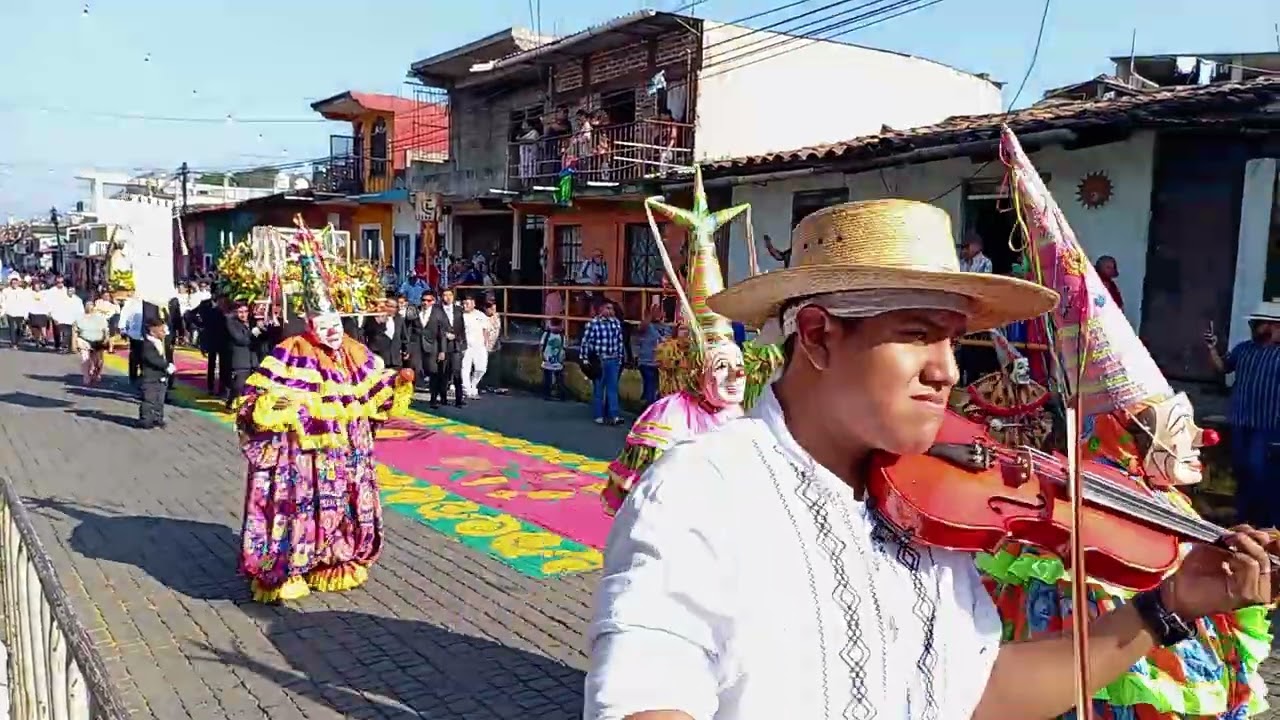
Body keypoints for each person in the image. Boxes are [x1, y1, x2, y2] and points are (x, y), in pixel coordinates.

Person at [584, 197, 1280, 720]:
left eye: (953, 341)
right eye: (917, 335)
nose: (947, 370)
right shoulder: (704, 488)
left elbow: (977, 691)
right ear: (821, 336)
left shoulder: (929, 507)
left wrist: (1171, 604)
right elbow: (646, 691)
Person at [978, 128, 1270, 720]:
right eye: (1175, 425)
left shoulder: (1161, 502)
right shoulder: (1074, 517)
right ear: (1128, 435)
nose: (1197, 440)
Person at [233, 224, 414, 603]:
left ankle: (335, 557)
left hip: (346, 451)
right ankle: (289, 566)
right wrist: (280, 410)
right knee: (301, 503)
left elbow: (372, 389)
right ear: (310, 325)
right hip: (305, 457)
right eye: (324, 326)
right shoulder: (291, 350)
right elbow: (256, 398)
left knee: (344, 501)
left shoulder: (354, 350)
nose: (332, 332)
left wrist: (397, 383)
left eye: (336, 324)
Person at [604, 171, 777, 514]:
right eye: (723, 367)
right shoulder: (670, 415)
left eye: (739, 366)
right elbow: (638, 495)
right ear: (698, 370)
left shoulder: (744, 412)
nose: (736, 376)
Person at [1206, 301, 1280, 528]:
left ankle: (1264, 521)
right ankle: (1243, 517)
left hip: (1267, 424)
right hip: (1241, 419)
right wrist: (1211, 348)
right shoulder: (1244, 349)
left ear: (1272, 326)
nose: (1253, 326)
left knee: (1260, 471)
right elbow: (1222, 367)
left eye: (1258, 323)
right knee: (1242, 469)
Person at [580, 298, 624, 425]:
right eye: (607, 308)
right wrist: (585, 359)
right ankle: (598, 415)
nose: (610, 311)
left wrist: (620, 358)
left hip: (613, 359)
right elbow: (586, 343)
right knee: (599, 388)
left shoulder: (616, 323)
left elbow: (619, 342)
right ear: (601, 309)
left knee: (613, 388)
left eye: (612, 309)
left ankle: (614, 415)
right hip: (600, 360)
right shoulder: (593, 324)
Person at [430, 287, 466, 407]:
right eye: (445, 295)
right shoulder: (436, 310)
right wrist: (445, 334)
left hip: (456, 345)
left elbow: (462, 327)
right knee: (443, 373)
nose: (448, 298)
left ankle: (459, 399)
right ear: (441, 297)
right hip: (442, 346)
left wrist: (459, 339)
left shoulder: (458, 309)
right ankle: (443, 397)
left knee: (457, 372)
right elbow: (435, 327)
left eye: (450, 295)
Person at [137, 316, 174, 429]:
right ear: (153, 331)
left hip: (161, 376)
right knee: (149, 399)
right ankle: (145, 419)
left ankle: (158, 418)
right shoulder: (146, 344)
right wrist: (166, 365)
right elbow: (151, 358)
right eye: (161, 330)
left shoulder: (160, 342)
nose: (164, 333)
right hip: (150, 377)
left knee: (160, 399)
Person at [634, 305, 670, 406]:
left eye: (660, 311)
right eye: (656, 311)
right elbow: (641, 328)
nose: (658, 313)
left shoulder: (667, 327)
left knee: (657, 389)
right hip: (647, 362)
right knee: (650, 387)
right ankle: (648, 411)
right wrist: (649, 316)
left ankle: (649, 409)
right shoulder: (647, 326)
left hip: (661, 363)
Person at [224, 301, 256, 410]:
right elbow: (240, 339)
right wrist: (254, 333)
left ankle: (244, 406)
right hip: (239, 360)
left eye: (246, 311)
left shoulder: (253, 322)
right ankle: (231, 402)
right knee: (238, 385)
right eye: (240, 312)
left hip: (252, 359)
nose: (243, 314)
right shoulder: (231, 322)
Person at [72, 300, 109, 385]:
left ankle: (96, 373)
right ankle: (86, 376)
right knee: (85, 359)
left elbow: (106, 330)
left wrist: (106, 339)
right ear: (84, 306)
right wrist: (74, 344)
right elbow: (75, 332)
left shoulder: (100, 317)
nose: (90, 307)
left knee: (98, 362)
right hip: (84, 340)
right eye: (87, 305)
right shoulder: (79, 318)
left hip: (98, 341)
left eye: (91, 305)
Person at [460, 295, 489, 399]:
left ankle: (474, 385)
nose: (465, 306)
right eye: (463, 304)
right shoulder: (460, 315)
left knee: (481, 368)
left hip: (479, 345)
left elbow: (485, 330)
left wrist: (486, 343)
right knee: (465, 368)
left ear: (473, 304)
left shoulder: (480, 315)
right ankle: (467, 390)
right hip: (466, 346)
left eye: (467, 303)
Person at [120, 293, 145, 384]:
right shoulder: (130, 303)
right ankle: (133, 375)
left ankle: (143, 373)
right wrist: (122, 329)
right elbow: (124, 315)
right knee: (134, 355)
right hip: (134, 334)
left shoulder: (149, 302)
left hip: (146, 334)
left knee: (145, 355)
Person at [539, 320, 566, 400]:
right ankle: (546, 394)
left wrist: (562, 359)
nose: (556, 328)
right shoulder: (546, 335)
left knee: (559, 380)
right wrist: (542, 356)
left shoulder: (562, 336)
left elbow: (563, 348)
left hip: (558, 363)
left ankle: (559, 394)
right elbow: (541, 346)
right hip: (547, 362)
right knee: (547, 379)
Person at [1, 276, 30, 348]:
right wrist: (2, 311)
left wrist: (26, 313)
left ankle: (16, 341)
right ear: (11, 283)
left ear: (18, 283)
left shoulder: (22, 291)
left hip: (19, 312)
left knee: (19, 328)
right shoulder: (6, 291)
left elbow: (26, 302)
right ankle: (13, 343)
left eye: (16, 282)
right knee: (12, 327)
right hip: (10, 312)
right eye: (13, 283)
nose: (14, 284)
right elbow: (2, 301)